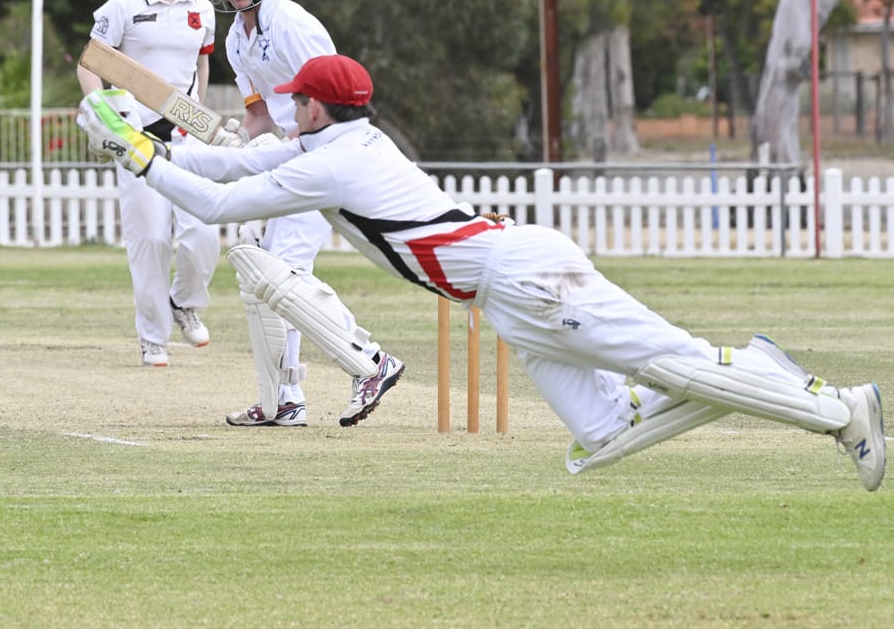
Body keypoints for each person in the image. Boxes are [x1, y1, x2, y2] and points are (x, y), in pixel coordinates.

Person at [76, 54, 886, 490]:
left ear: (319, 108)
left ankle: (838, 411)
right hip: (508, 292)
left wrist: (139, 160)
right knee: (600, 439)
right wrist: (151, 140)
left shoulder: (333, 167)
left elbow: (220, 211)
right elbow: (227, 166)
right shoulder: (337, 143)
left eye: (297, 101)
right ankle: (748, 368)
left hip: (524, 279)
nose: (288, 109)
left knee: (672, 364)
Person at [204, 0, 340, 427]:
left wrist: (290, 148)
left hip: (320, 157)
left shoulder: (292, 24)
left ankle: (366, 362)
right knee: (264, 280)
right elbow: (259, 115)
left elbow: (333, 100)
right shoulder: (236, 37)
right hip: (284, 160)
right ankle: (282, 398)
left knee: (285, 276)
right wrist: (247, 150)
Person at [77, 0, 220, 367]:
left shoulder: (202, 9)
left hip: (185, 134)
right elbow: (90, 62)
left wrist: (198, 113)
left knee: (204, 231)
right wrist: (104, 114)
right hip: (137, 134)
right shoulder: (122, 6)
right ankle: (153, 337)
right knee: (153, 238)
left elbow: (202, 62)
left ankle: (184, 302)